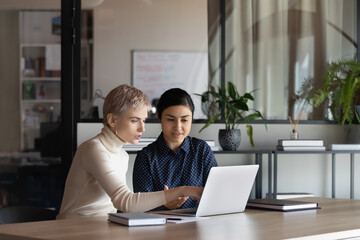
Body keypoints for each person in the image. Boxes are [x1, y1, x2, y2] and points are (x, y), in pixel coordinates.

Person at [57, 85, 203, 219]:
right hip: (75, 229)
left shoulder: (122, 155)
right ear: (113, 120)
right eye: (134, 120)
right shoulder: (93, 149)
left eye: (144, 121)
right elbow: (125, 202)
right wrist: (183, 190)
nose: (142, 128)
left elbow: (128, 206)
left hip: (103, 227)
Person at [133, 88, 218, 211]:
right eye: (171, 119)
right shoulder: (146, 157)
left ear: (192, 118)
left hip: (199, 224)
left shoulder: (202, 150)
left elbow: (216, 192)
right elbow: (140, 206)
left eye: (184, 120)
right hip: (158, 227)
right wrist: (164, 205)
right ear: (159, 116)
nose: (178, 127)